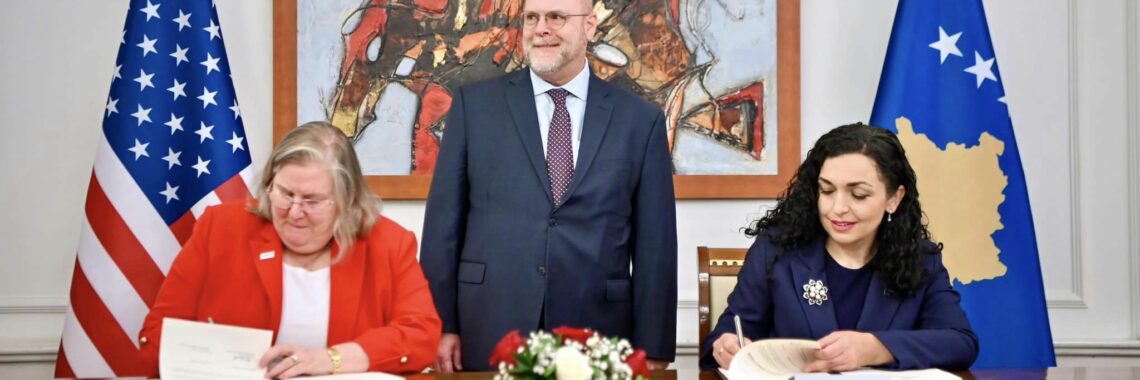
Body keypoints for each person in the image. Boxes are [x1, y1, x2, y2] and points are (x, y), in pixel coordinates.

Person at [420, 0, 678, 372]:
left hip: (599, 332)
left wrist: (653, 346)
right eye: (532, 17)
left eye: (556, 17)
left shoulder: (640, 120)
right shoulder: (474, 107)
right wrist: (440, 324)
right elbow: (443, 226)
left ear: (590, 26)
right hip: (488, 323)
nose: (541, 28)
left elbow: (656, 243)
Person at [137, 121, 442, 378]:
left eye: (311, 200)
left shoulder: (388, 244)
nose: (294, 212)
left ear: (347, 200)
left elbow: (421, 335)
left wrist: (332, 359)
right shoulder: (220, 229)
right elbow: (157, 336)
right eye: (284, 193)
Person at [701, 123, 979, 371]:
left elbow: (960, 342)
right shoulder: (776, 251)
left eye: (858, 194)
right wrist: (725, 346)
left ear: (894, 199)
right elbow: (725, 336)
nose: (838, 208)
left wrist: (875, 348)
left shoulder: (920, 260)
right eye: (827, 191)